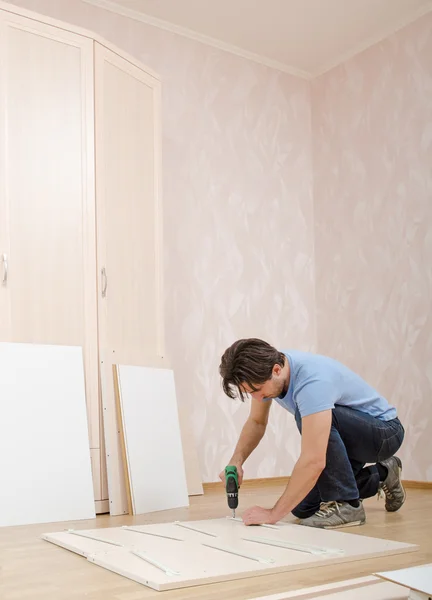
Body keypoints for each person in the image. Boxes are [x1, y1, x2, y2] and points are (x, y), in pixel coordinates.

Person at [218, 338, 405, 529]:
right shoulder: (266, 371)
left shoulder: (311, 382)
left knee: (305, 415)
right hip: (346, 435)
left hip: (384, 434)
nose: (257, 398)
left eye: (257, 390)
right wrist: (236, 461)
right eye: (250, 392)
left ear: (276, 370)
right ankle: (383, 473)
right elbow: (257, 422)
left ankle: (349, 506)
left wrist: (273, 514)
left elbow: (314, 460)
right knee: (302, 507)